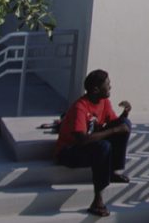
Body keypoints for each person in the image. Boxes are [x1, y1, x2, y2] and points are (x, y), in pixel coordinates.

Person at [55, 70, 132, 217]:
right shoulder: (80, 107)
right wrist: (115, 130)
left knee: (125, 124)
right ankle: (98, 200)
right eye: (107, 85)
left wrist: (125, 114)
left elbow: (114, 124)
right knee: (104, 146)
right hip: (68, 151)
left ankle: (113, 171)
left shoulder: (104, 102)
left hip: (89, 146)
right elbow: (82, 139)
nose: (111, 87)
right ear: (96, 89)